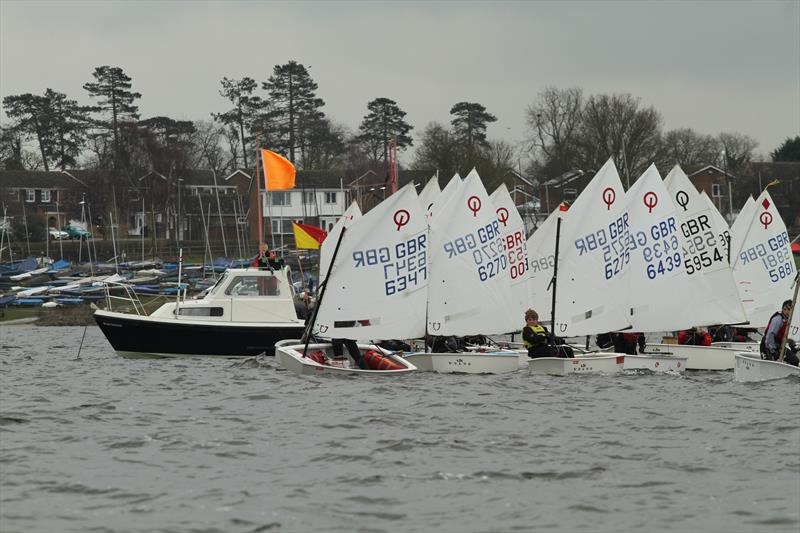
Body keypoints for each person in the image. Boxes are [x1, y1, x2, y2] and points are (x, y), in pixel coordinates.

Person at [761, 299, 799, 366]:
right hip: (767, 345)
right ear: (783, 309)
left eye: (790, 310)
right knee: (771, 364)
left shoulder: (787, 321)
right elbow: (770, 335)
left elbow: (783, 337)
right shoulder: (778, 319)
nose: (787, 312)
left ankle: (787, 371)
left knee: (794, 360)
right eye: (785, 309)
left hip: (778, 345)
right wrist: (773, 351)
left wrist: (792, 344)